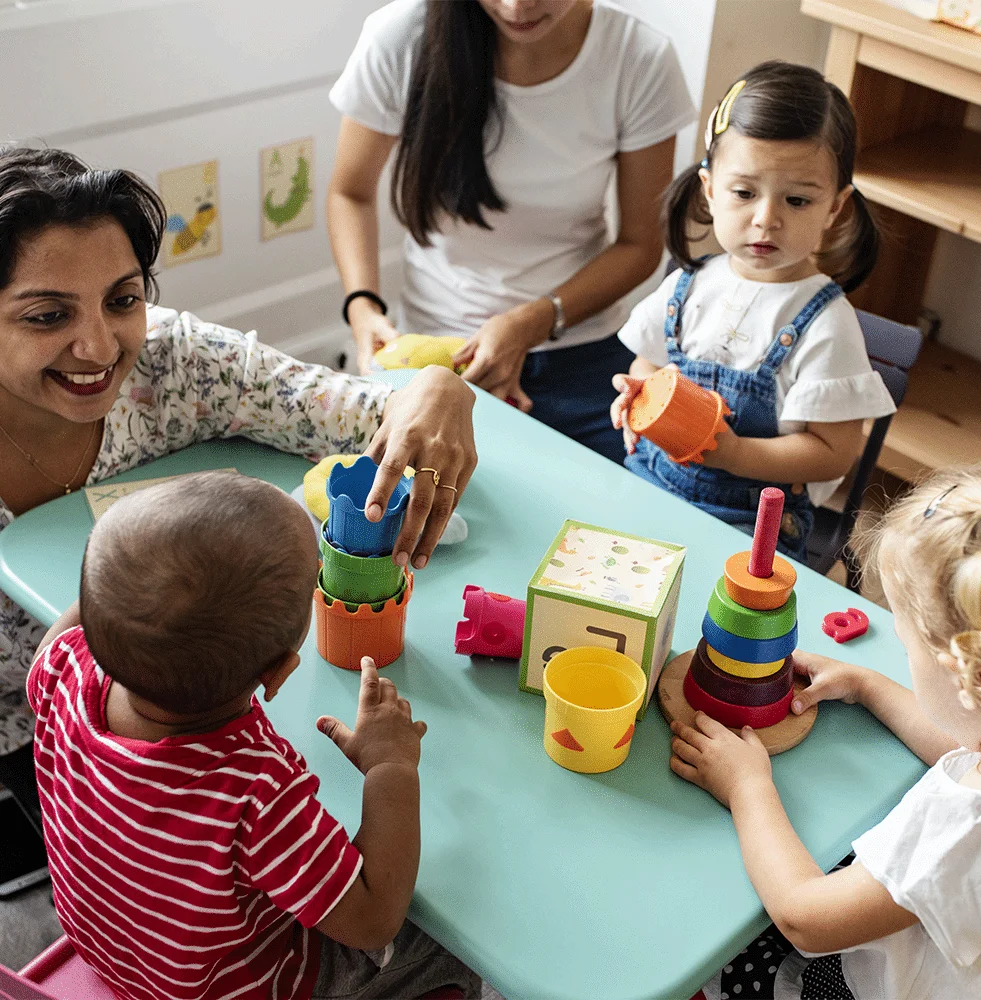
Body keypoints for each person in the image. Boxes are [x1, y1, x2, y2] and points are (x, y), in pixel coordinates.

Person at [0, 146, 476, 845]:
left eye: (123, 300)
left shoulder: (180, 367)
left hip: (204, 716)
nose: (99, 346)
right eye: (46, 316)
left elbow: (368, 414)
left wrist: (439, 388)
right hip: (35, 740)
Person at [28, 472, 481, 999]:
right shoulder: (253, 790)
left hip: (126, 962)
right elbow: (374, 916)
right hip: (235, 988)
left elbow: (75, 626)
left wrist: (125, 582)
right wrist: (390, 768)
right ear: (279, 673)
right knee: (443, 944)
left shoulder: (65, 667)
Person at [673, 463, 981, 1000]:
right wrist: (867, 684)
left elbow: (806, 918)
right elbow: (970, 744)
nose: (900, 651)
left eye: (906, 640)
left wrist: (747, 789)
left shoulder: (962, 834)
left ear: (968, 676)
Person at [327, 0, 696, 463]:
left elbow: (641, 243)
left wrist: (531, 322)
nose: (517, 6)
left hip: (579, 350)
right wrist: (362, 306)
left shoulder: (638, 57)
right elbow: (350, 193)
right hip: (438, 352)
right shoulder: (400, 37)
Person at [611, 61, 895, 560]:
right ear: (710, 190)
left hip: (748, 523)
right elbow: (648, 362)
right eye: (744, 193)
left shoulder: (825, 324)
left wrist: (737, 454)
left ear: (835, 207)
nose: (767, 219)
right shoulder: (688, 285)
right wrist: (643, 395)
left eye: (798, 200)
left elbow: (834, 452)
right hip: (648, 482)